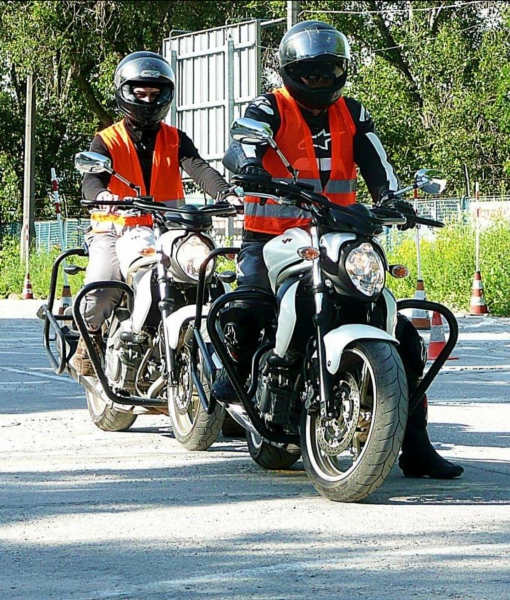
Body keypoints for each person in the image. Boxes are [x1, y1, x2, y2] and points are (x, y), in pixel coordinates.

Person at [215, 20, 464, 479]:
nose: (319, 81)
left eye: (329, 71)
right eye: (310, 72)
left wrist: (391, 198)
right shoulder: (269, 106)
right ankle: (233, 379)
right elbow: (241, 144)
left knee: (401, 332)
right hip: (271, 236)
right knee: (247, 307)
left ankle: (415, 444)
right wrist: (248, 166)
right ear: (290, 71)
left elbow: (376, 161)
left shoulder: (353, 112)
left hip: (337, 234)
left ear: (342, 71)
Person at [71, 50, 240, 377]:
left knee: (204, 274)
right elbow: (91, 179)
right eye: (140, 93)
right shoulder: (106, 140)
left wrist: (227, 193)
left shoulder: (176, 139)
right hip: (115, 229)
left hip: (168, 230)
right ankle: (88, 338)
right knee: (103, 285)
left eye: (154, 93)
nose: (147, 100)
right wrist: (102, 196)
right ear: (124, 92)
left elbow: (199, 168)